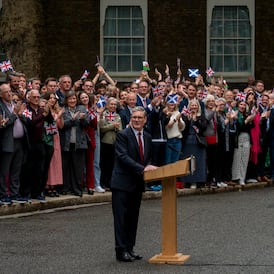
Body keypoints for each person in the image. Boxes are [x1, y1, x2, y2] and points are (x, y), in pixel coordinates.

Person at [111, 106, 157, 262]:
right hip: (122, 183)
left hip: (137, 184)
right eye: (134, 117)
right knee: (121, 219)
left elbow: (148, 158)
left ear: (145, 120)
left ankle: (130, 248)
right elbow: (123, 157)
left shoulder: (148, 137)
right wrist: (143, 169)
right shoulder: (123, 135)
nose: (136, 120)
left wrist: (150, 167)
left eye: (139, 118)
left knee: (133, 218)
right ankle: (120, 250)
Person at [0, 83, 29, 204]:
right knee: (4, 170)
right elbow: (3, 125)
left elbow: (26, 120)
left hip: (20, 141)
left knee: (16, 170)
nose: (10, 93)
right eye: (6, 92)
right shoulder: (1, 107)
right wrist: (15, 114)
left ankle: (14, 193)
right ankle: (2, 195)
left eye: (10, 91)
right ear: (1, 94)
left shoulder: (14, 105)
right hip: (7, 142)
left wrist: (20, 115)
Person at [59, 91, 89, 196]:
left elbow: (87, 124)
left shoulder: (82, 108)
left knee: (78, 168)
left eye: (74, 99)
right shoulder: (63, 110)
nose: (72, 101)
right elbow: (63, 125)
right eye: (70, 99)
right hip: (66, 142)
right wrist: (73, 119)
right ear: (66, 100)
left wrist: (82, 119)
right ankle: (65, 188)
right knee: (66, 166)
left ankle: (77, 189)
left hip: (79, 143)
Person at [99, 97, 122, 189]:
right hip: (105, 142)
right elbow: (102, 128)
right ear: (107, 105)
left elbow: (120, 129)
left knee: (112, 164)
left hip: (114, 143)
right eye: (111, 104)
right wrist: (113, 126)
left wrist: (114, 127)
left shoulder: (117, 116)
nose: (113, 106)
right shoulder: (103, 115)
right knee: (104, 164)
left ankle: (110, 182)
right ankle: (103, 182)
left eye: (114, 104)